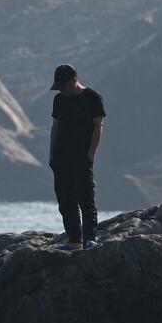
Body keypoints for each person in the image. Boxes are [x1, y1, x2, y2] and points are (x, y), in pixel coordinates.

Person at [48, 64, 106, 251]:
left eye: (63, 86)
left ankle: (90, 239)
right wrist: (52, 154)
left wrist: (91, 154)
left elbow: (98, 127)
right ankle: (74, 240)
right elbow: (55, 126)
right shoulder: (59, 100)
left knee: (85, 198)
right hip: (61, 157)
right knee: (66, 201)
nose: (61, 90)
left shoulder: (93, 98)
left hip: (81, 156)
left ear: (74, 81)